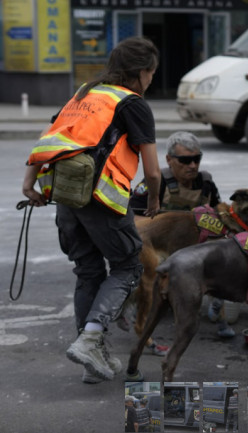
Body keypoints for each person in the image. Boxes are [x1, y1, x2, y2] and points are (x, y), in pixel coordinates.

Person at [22, 36, 161, 384]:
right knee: (129, 266)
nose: (152, 80)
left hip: (67, 198)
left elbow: (47, 138)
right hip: (101, 201)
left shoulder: (85, 92)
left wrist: (30, 182)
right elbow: (154, 170)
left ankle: (91, 364)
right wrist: (155, 200)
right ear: (143, 72)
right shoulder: (132, 103)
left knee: (88, 272)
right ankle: (90, 339)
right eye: (152, 74)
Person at [128, 131, 234, 341]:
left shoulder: (206, 183)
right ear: (169, 159)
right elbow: (133, 221)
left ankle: (217, 307)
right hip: (160, 245)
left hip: (194, 245)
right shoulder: (156, 181)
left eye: (196, 159)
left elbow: (220, 219)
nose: (192, 166)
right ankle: (137, 304)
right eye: (185, 160)